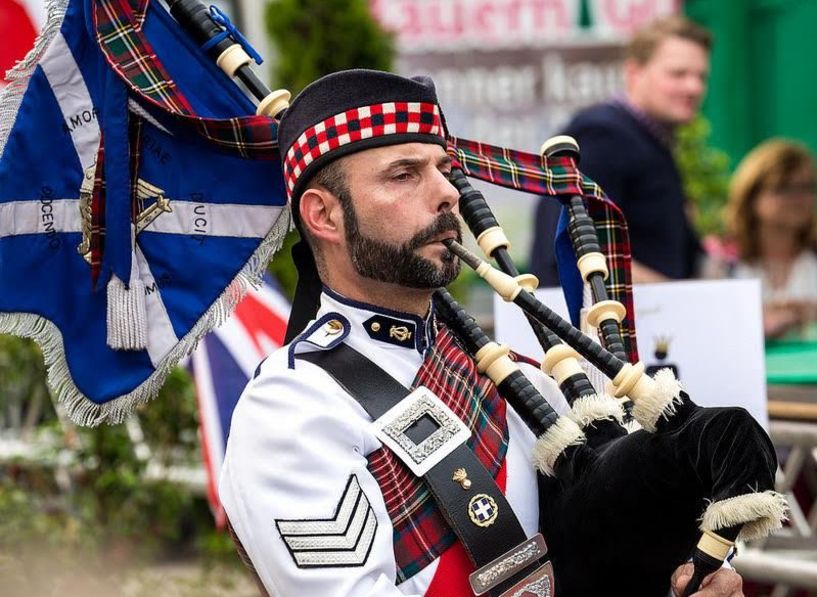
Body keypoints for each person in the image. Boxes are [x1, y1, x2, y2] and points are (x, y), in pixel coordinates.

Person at [219, 69, 744, 596]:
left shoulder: (521, 380)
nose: (448, 193)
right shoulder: (293, 409)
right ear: (323, 216)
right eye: (403, 175)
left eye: (444, 169)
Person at [530, 15, 711, 285]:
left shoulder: (648, 138)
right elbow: (573, 248)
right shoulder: (604, 135)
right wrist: (679, 298)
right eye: (678, 74)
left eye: (701, 76)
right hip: (598, 322)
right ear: (634, 73)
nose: (694, 87)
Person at [723, 139, 817, 339]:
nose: (799, 198)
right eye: (784, 188)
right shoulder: (722, 261)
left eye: (807, 187)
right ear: (751, 195)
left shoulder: (812, 256)